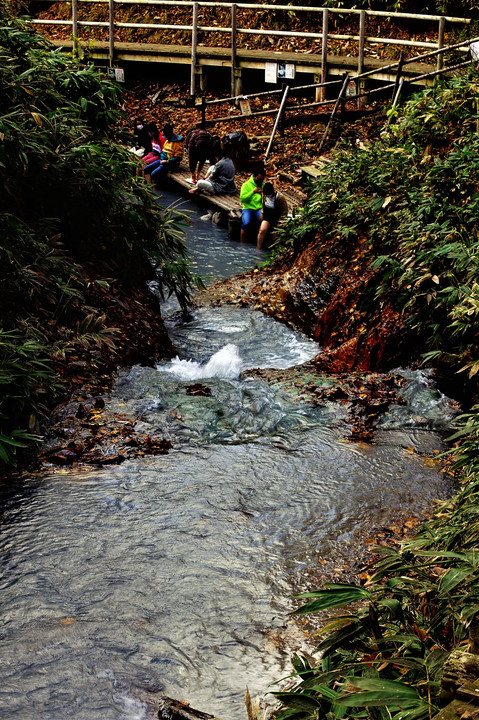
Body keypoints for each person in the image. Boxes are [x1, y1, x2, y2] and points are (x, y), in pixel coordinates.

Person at [256, 182, 289, 250]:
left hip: (277, 217)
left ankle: (274, 251)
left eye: (269, 194)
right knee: (262, 230)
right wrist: (262, 213)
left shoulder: (280, 197)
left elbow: (284, 212)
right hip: (268, 216)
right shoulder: (264, 195)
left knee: (275, 235)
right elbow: (263, 205)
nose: (268, 196)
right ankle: (258, 248)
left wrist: (280, 223)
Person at [239, 167, 265, 243]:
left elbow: (268, 200)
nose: (260, 180)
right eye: (258, 178)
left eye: (262, 179)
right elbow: (243, 199)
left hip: (259, 208)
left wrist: (262, 194)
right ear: (254, 176)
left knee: (263, 222)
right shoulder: (246, 185)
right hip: (248, 208)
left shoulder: (263, 185)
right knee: (246, 223)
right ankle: (242, 243)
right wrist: (252, 192)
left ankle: (259, 242)